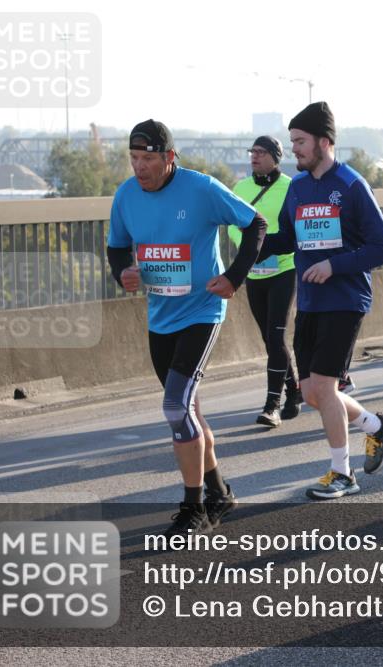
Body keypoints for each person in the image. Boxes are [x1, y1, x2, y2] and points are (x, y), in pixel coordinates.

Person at [107, 119, 266, 536]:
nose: (139, 167)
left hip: (201, 312)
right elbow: (116, 246)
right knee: (188, 412)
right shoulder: (125, 196)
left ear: (169, 157)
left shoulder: (201, 189)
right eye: (134, 158)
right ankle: (220, 493)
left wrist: (234, 276)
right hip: (160, 317)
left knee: (176, 407)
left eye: (148, 159)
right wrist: (122, 271)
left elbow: (256, 224)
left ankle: (193, 508)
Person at [258, 102, 383, 500]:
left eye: (300, 142)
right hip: (311, 301)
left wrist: (335, 266)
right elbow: (289, 238)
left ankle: (343, 473)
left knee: (324, 384)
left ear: (324, 141)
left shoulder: (352, 185)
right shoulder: (297, 188)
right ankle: (376, 425)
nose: (295, 149)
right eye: (292, 142)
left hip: (345, 298)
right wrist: (253, 246)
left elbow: (382, 247)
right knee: (315, 394)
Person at [229, 135, 300, 427]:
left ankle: (273, 405)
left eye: (261, 152)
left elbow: (294, 227)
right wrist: (250, 251)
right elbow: (233, 225)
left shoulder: (290, 187)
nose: (254, 157)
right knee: (268, 338)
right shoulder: (240, 188)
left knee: (275, 335)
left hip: (285, 268)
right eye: (252, 152)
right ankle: (295, 389)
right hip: (255, 271)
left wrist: (264, 246)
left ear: (275, 156)